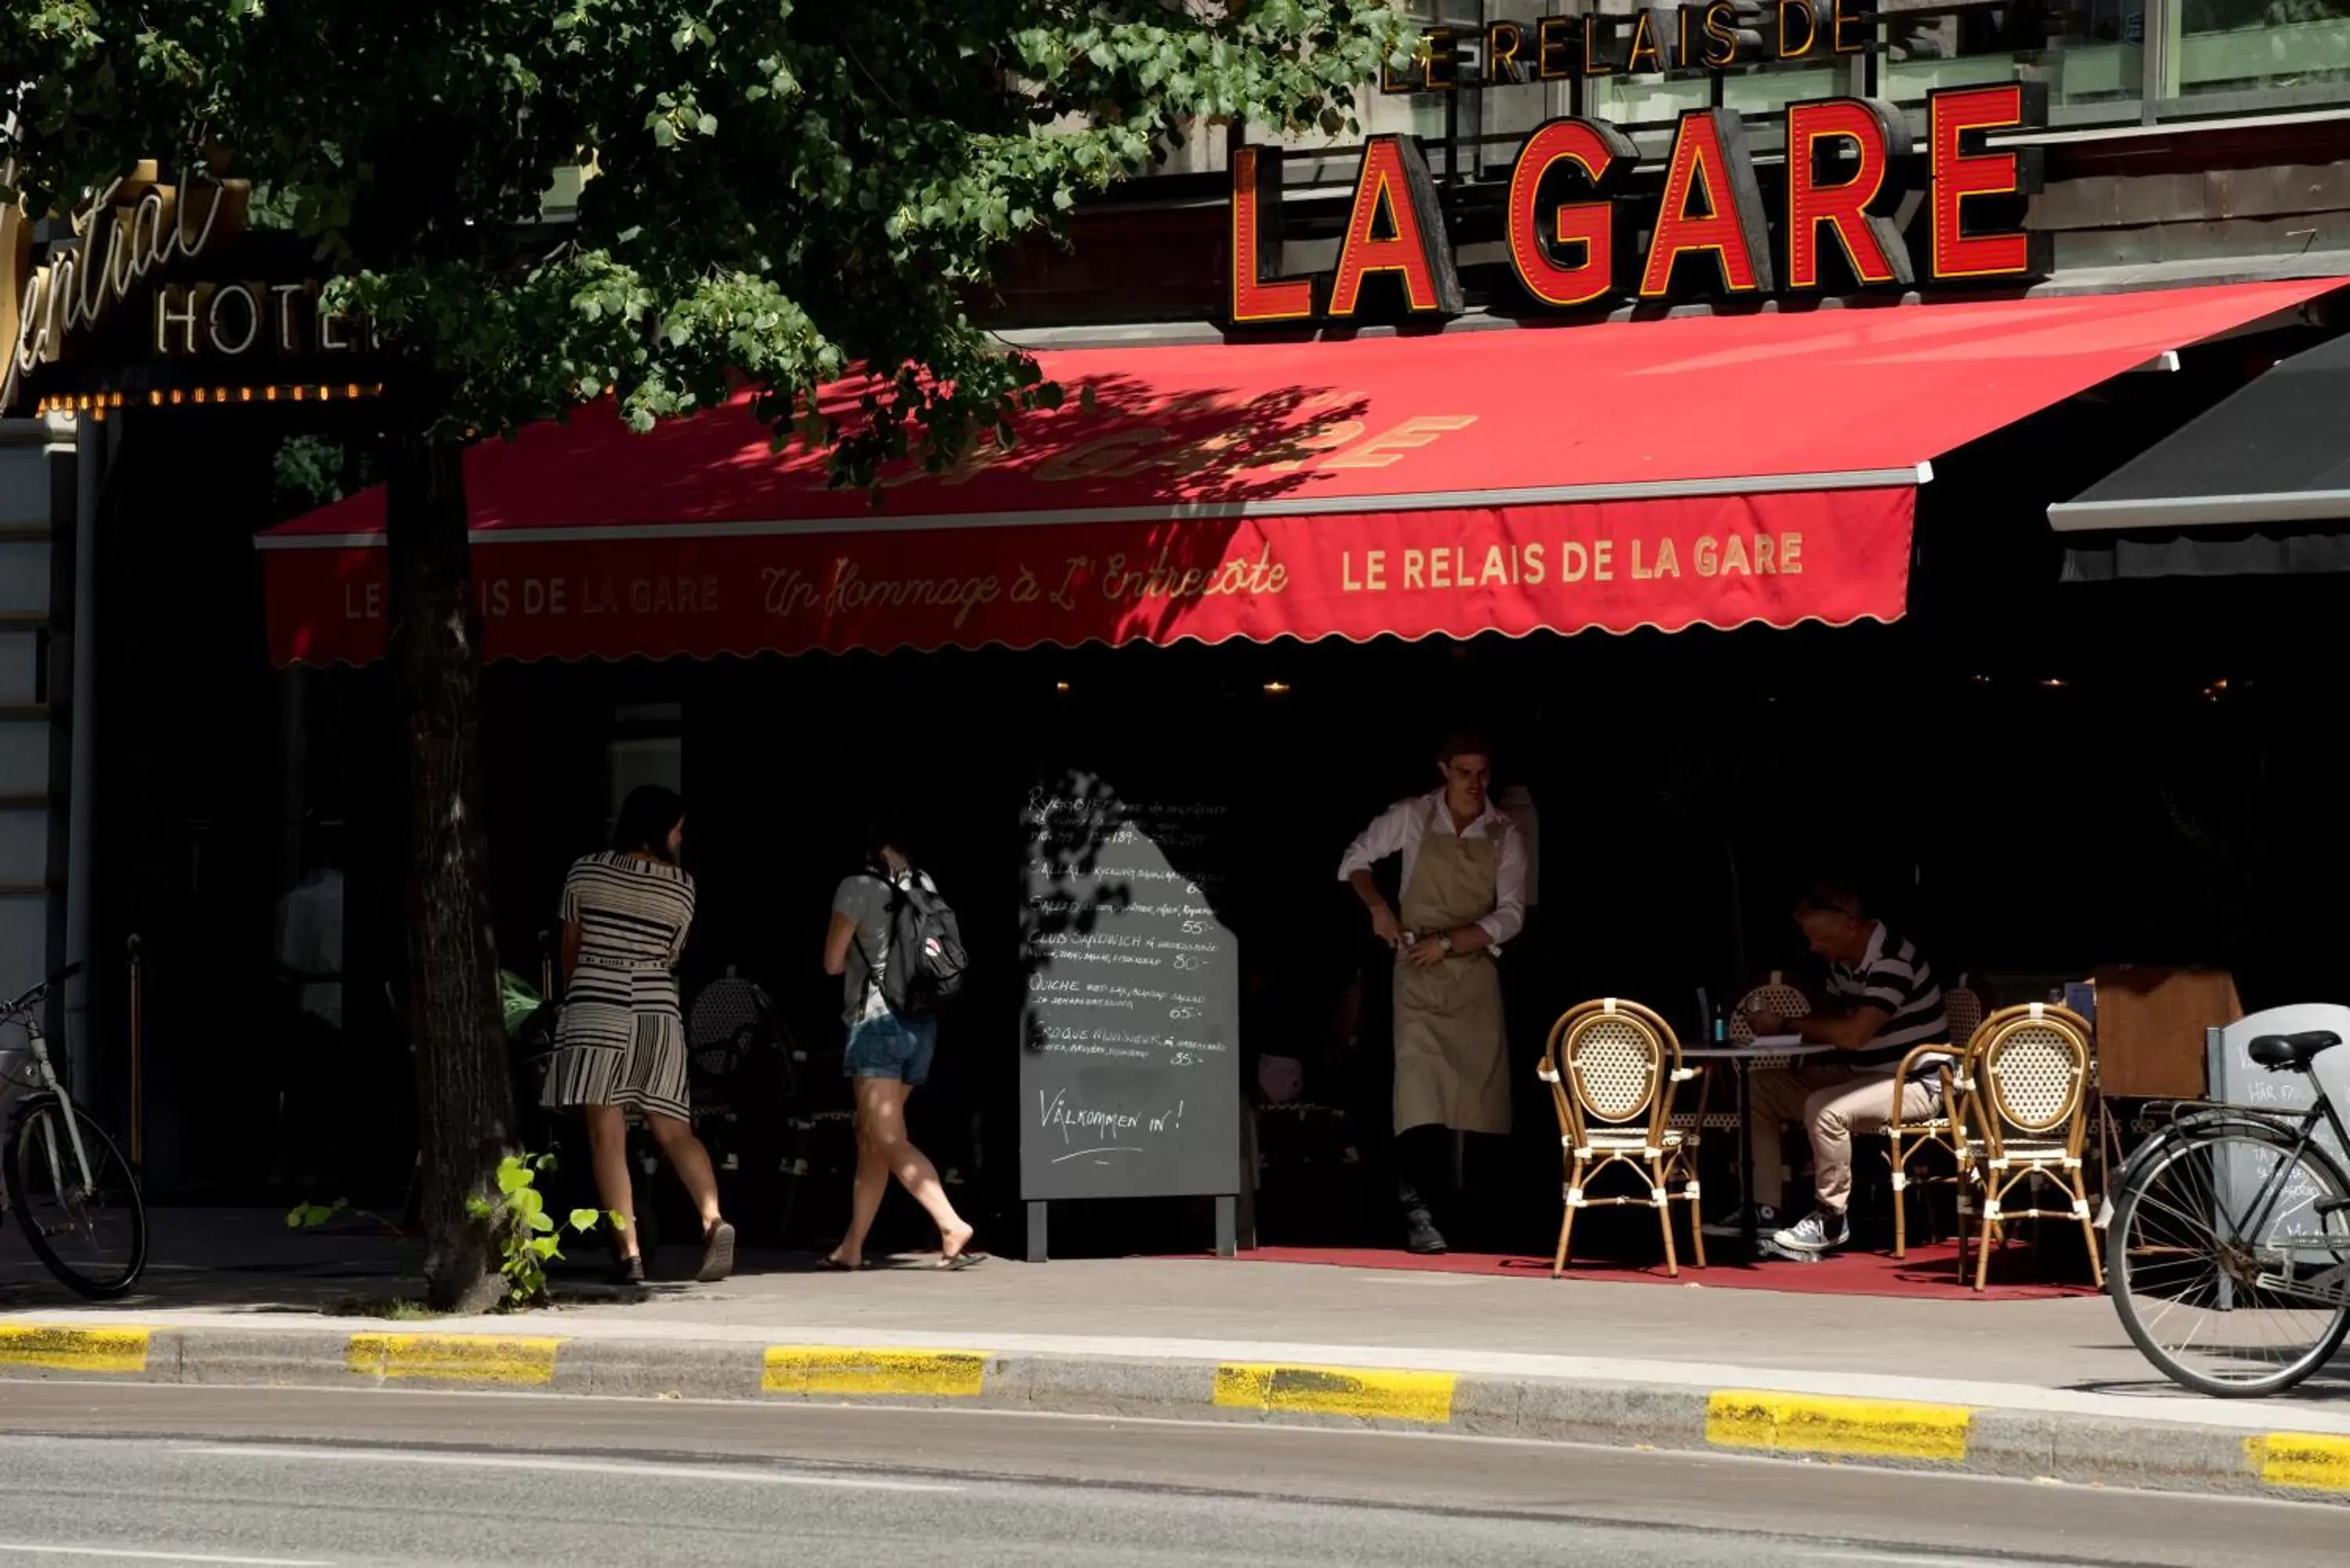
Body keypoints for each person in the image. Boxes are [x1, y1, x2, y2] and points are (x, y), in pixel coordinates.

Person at [1338, 730, 1527, 1254]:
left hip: (1471, 973)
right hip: (1417, 970)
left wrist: (1450, 942)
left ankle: (1469, 1208)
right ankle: (1416, 1208)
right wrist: (1379, 907)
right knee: (1420, 1091)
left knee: (1477, 1094)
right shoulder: (1413, 815)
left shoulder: (1504, 831)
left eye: (1482, 772)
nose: (1474, 782)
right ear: (1444, 770)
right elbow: (1355, 859)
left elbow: (1510, 914)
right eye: (1464, 771)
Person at [540, 786, 734, 1284]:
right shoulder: (682, 886)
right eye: (677, 827)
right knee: (675, 1130)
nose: (679, 836)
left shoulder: (585, 870)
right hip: (658, 1009)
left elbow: (571, 946)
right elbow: (672, 955)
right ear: (660, 828)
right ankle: (713, 1218)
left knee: (608, 1137)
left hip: (596, 1004)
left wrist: (576, 990)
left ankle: (629, 1255)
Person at [1736, 878, 1950, 1256]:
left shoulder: (1893, 960)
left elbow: (1853, 1034)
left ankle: (1830, 1218)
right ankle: (1766, 1212)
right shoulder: (1844, 964)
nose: (1814, 947)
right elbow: (1829, 1026)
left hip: (1915, 1084)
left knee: (1825, 1109)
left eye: (1820, 937)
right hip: (1863, 1076)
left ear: (1851, 923)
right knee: (1760, 1088)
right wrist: (1781, 1028)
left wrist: (1786, 1024)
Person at [821, 818, 978, 1270]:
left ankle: (950, 1224)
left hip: (877, 1026)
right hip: (921, 1026)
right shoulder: (924, 885)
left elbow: (832, 963)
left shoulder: (856, 887)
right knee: (872, 1138)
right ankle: (852, 1247)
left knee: (886, 1137)